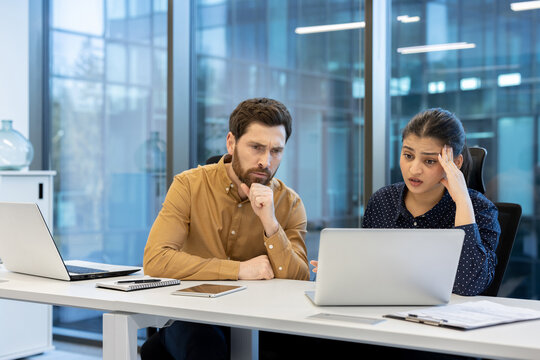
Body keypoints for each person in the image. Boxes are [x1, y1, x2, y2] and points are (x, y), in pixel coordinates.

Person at [307, 108, 501, 359]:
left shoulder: (479, 209)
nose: (414, 169)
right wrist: (345, 271)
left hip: (445, 341)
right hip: (384, 329)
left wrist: (462, 200)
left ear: (455, 163)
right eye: (408, 155)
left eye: (429, 161)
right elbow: (377, 274)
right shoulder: (383, 201)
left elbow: (469, 285)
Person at [142, 97, 309, 360]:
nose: (265, 161)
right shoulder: (189, 186)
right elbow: (156, 258)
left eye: (276, 151)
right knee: (204, 344)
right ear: (231, 143)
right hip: (194, 314)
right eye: (256, 147)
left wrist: (270, 223)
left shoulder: (289, 203)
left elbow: (299, 280)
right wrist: (240, 270)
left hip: (260, 317)